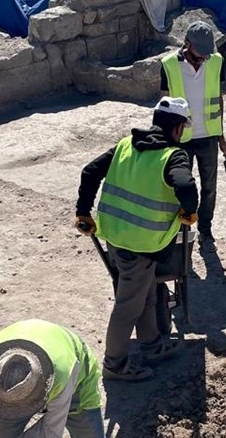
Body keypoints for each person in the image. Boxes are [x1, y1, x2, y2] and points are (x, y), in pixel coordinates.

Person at [75, 97, 199, 382]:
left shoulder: (124, 146)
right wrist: (190, 210)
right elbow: (185, 185)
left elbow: (89, 171)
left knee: (146, 292)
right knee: (128, 304)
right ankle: (114, 365)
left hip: (115, 237)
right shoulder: (173, 155)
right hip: (142, 244)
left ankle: (152, 345)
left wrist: (84, 211)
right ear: (179, 129)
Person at [160, 21, 226, 246]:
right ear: (186, 45)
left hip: (208, 137)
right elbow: (164, 106)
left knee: (210, 188)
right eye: (200, 55)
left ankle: (205, 228)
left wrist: (221, 135)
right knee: (181, 188)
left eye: (207, 55)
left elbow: (218, 100)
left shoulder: (216, 62)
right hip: (181, 139)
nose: (204, 59)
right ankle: (182, 230)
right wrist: (165, 140)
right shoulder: (169, 65)